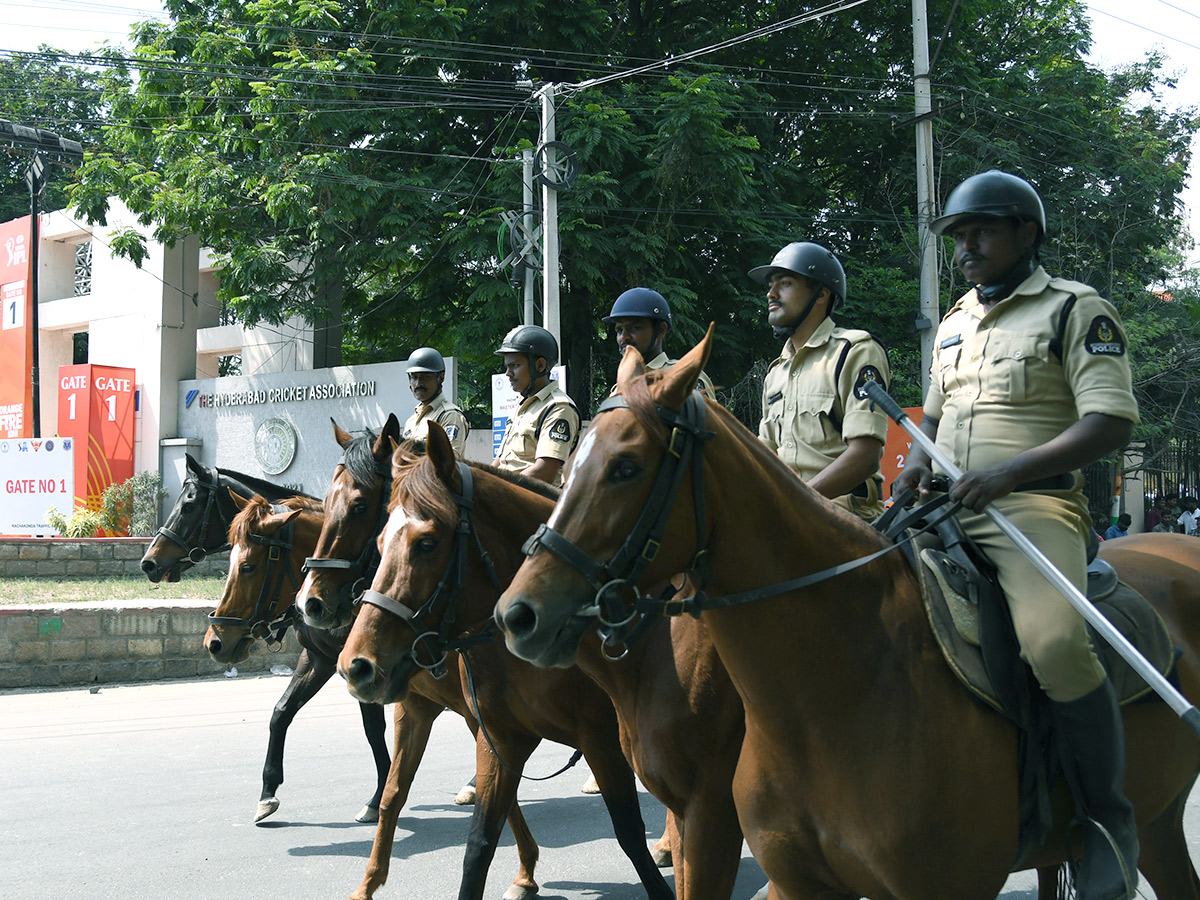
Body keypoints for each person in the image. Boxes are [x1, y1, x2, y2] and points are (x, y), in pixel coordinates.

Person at [895, 169, 1140, 900]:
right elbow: (934, 417)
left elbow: (1110, 421)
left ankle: (1105, 823)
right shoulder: (953, 322)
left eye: (982, 231)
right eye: (959, 236)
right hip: (941, 506)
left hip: (1030, 510)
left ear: (1026, 233)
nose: (966, 246)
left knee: (1055, 643)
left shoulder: (1075, 309)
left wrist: (1007, 476)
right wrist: (911, 467)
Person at [750, 241, 891, 521]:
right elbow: (764, 457)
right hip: (790, 519)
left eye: (785, 283)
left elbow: (865, 456)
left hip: (847, 516)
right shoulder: (775, 373)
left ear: (821, 294)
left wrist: (796, 502)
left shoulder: (854, 351)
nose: (771, 293)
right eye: (770, 284)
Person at [493, 324, 580, 486]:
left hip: (533, 502)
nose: (508, 373)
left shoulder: (558, 408)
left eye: (515, 366)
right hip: (505, 497)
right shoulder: (522, 404)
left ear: (540, 365)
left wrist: (496, 487)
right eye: (507, 367)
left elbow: (544, 471)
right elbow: (500, 460)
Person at [603, 287, 715, 395]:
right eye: (619, 330)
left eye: (634, 328)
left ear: (661, 330)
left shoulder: (684, 376)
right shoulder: (619, 387)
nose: (624, 337)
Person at [401, 347, 469, 458]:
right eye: (414, 377)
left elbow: (449, 462)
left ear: (441, 377)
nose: (418, 384)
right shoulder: (411, 420)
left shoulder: (450, 415)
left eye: (425, 377)